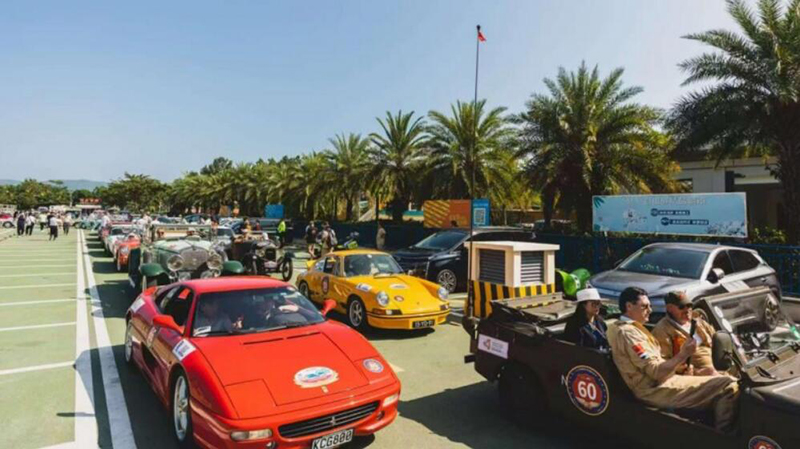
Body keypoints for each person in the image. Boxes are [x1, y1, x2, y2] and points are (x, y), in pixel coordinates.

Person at [607, 287, 738, 432]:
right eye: (644, 306)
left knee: (733, 379)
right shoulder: (629, 333)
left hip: (664, 380)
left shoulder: (632, 329)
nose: (650, 310)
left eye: (649, 306)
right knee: (728, 386)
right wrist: (683, 354)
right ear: (629, 306)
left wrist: (687, 369)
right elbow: (655, 372)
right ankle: (722, 437)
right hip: (654, 389)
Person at [652, 291, 717, 376]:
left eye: (689, 306)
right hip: (696, 373)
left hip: (719, 363)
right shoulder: (662, 330)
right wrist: (694, 372)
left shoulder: (697, 320)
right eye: (681, 307)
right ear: (669, 308)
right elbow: (663, 362)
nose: (687, 310)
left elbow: (716, 337)